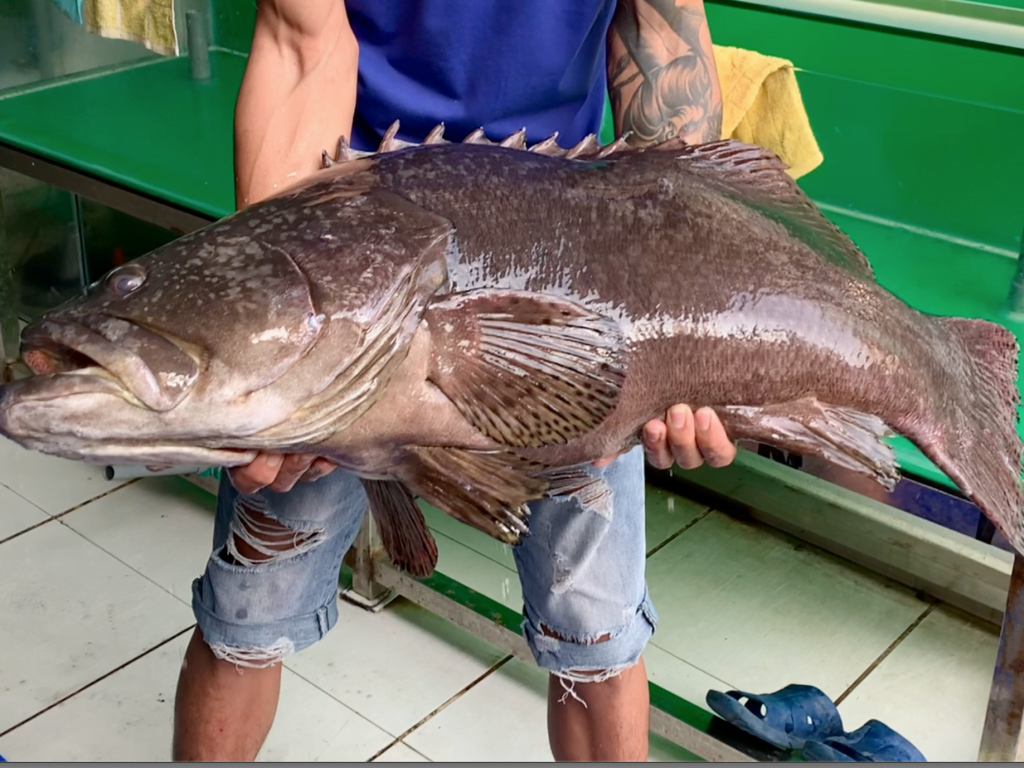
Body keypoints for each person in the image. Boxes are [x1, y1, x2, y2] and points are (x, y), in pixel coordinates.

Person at [172, 1, 736, 761]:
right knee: (245, 615)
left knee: (597, 636)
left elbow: (665, 50)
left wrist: (681, 314)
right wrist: (283, 352)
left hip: (569, 266)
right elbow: (304, 42)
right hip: (355, 243)